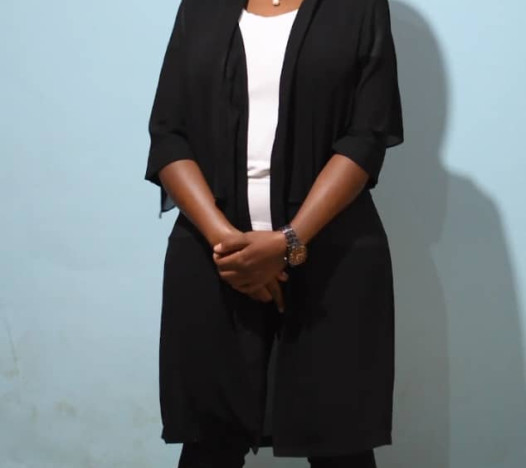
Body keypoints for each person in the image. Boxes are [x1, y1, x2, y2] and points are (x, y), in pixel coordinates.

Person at [144, 0, 404, 466]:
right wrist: (231, 247)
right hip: (212, 258)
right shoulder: (200, 8)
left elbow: (366, 135)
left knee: (341, 448)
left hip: (332, 258)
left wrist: (288, 242)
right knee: (208, 445)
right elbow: (168, 134)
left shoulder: (359, 8)